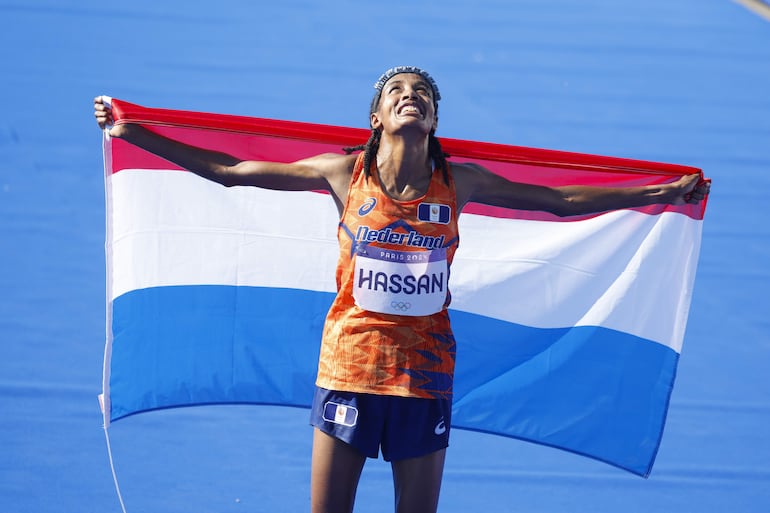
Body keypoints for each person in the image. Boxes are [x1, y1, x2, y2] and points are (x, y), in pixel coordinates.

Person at [94, 65, 709, 513]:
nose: (410, 98)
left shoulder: (457, 182)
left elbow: (559, 201)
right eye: (397, 93)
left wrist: (656, 193)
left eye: (422, 95)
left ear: (433, 119)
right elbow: (230, 173)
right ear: (378, 119)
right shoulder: (343, 173)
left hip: (425, 374)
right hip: (350, 370)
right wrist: (133, 132)